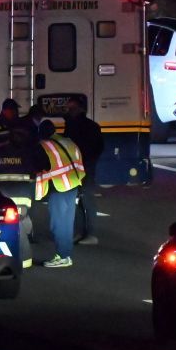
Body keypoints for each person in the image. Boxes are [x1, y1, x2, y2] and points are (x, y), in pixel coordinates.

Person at [0, 119, 49, 267]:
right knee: (20, 222)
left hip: (4, 201)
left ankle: (20, 259)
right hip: (24, 200)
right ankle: (23, 260)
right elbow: (39, 168)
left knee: (11, 227)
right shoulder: (24, 152)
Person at [36, 122, 87, 267]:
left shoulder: (44, 145)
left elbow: (39, 165)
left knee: (58, 224)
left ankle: (63, 256)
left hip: (59, 186)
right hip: (73, 183)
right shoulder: (68, 141)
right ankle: (65, 254)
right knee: (66, 222)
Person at [61, 93, 105, 244]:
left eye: (70, 107)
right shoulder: (89, 126)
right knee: (81, 200)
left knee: (85, 200)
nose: (68, 110)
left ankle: (89, 234)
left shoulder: (75, 126)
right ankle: (83, 233)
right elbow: (99, 148)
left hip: (79, 168)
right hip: (84, 167)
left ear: (78, 109)